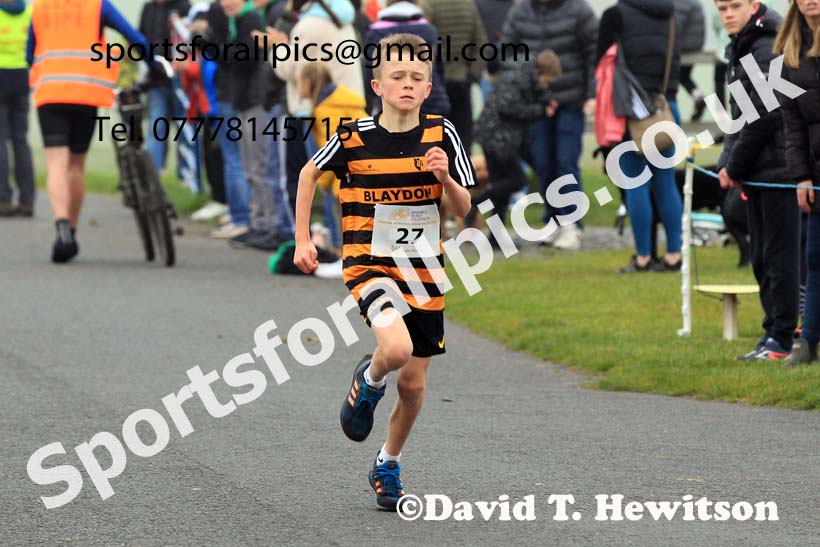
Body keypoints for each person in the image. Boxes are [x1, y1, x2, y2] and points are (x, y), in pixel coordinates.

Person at [293, 33, 476, 510]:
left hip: (424, 274)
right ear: (377, 84)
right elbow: (308, 174)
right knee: (395, 349)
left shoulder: (443, 135)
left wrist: (445, 179)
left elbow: (463, 209)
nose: (408, 84)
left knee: (414, 386)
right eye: (398, 76)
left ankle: (387, 462)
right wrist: (302, 238)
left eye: (418, 77)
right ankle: (369, 380)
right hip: (369, 265)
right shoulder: (353, 137)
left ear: (429, 83)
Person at [28, 0, 152, 263]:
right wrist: (154, 61)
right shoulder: (98, 5)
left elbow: (30, 54)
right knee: (75, 165)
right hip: (86, 92)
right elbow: (134, 37)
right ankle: (72, 230)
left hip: (50, 92)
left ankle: (62, 229)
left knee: (56, 164)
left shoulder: (40, 7)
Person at [715, 0, 798, 361]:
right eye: (721, 8)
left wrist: (735, 165)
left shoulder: (765, 46)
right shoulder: (743, 44)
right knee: (762, 258)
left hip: (779, 169)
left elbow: (764, 114)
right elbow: (739, 113)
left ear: (754, 5)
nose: (727, 14)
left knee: (779, 258)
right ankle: (771, 334)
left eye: (734, 6)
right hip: (758, 170)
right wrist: (726, 163)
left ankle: (782, 339)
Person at [502, 0, 598, 251]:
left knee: (566, 162)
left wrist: (592, 94)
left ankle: (572, 223)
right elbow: (507, 51)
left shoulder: (579, 11)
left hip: (571, 100)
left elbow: (593, 55)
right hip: (536, 104)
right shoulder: (520, 12)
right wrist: (529, 82)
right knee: (543, 163)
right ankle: (553, 218)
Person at [597, 0, 683, 273]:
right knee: (666, 183)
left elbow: (601, 62)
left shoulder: (615, 15)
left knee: (635, 184)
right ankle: (674, 255)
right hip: (666, 109)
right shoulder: (670, 14)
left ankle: (644, 257)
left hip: (632, 113)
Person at [471, 50, 561, 241]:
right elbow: (507, 108)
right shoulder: (518, 78)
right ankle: (475, 202)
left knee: (501, 189)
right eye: (546, 81)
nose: (546, 86)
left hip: (495, 135)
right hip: (497, 137)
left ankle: (495, 238)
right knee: (517, 181)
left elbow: (530, 96)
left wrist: (544, 99)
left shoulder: (522, 74)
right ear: (540, 72)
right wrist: (541, 110)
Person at [775, 0, 820, 366]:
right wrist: (801, 175)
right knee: (815, 258)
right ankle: (808, 343)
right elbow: (792, 125)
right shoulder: (790, 52)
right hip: (815, 176)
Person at [298, 61, 368, 255]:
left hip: (346, 174)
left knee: (344, 221)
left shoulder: (324, 111)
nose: (298, 88)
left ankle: (343, 257)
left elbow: (333, 149)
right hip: (366, 168)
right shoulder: (344, 101)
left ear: (310, 83)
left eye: (300, 82)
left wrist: (323, 180)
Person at [205, 0, 252, 239]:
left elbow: (240, 58)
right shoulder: (234, 18)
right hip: (229, 94)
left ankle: (241, 217)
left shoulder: (245, 18)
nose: (227, 4)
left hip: (234, 96)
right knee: (235, 159)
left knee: (235, 160)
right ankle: (239, 216)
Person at [362, 0, 450, 117]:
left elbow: (370, 74)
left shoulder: (374, 33)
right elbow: (440, 68)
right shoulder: (429, 30)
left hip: (391, 106)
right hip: (432, 102)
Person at [424, 0, 486, 155]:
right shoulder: (468, 5)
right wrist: (473, 74)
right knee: (463, 141)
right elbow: (481, 43)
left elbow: (426, 45)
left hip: (437, 84)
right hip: (462, 79)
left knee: (437, 140)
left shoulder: (430, 5)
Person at [139, 0, 190, 174]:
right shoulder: (149, 9)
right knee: (157, 127)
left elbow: (190, 41)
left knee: (184, 128)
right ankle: (154, 173)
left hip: (181, 81)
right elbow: (141, 38)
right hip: (156, 79)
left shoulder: (184, 7)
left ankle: (185, 173)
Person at [0, 0, 34, 218]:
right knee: (20, 140)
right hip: (22, 78)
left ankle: (3, 198)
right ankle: (27, 200)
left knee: (0, 139)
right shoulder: (29, 13)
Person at [674, 0, 707, 121]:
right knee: (684, 76)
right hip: (695, 46)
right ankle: (698, 95)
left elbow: (676, 25)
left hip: (683, 47)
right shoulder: (695, 3)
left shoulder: (680, 3)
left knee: (671, 81)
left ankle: (671, 116)